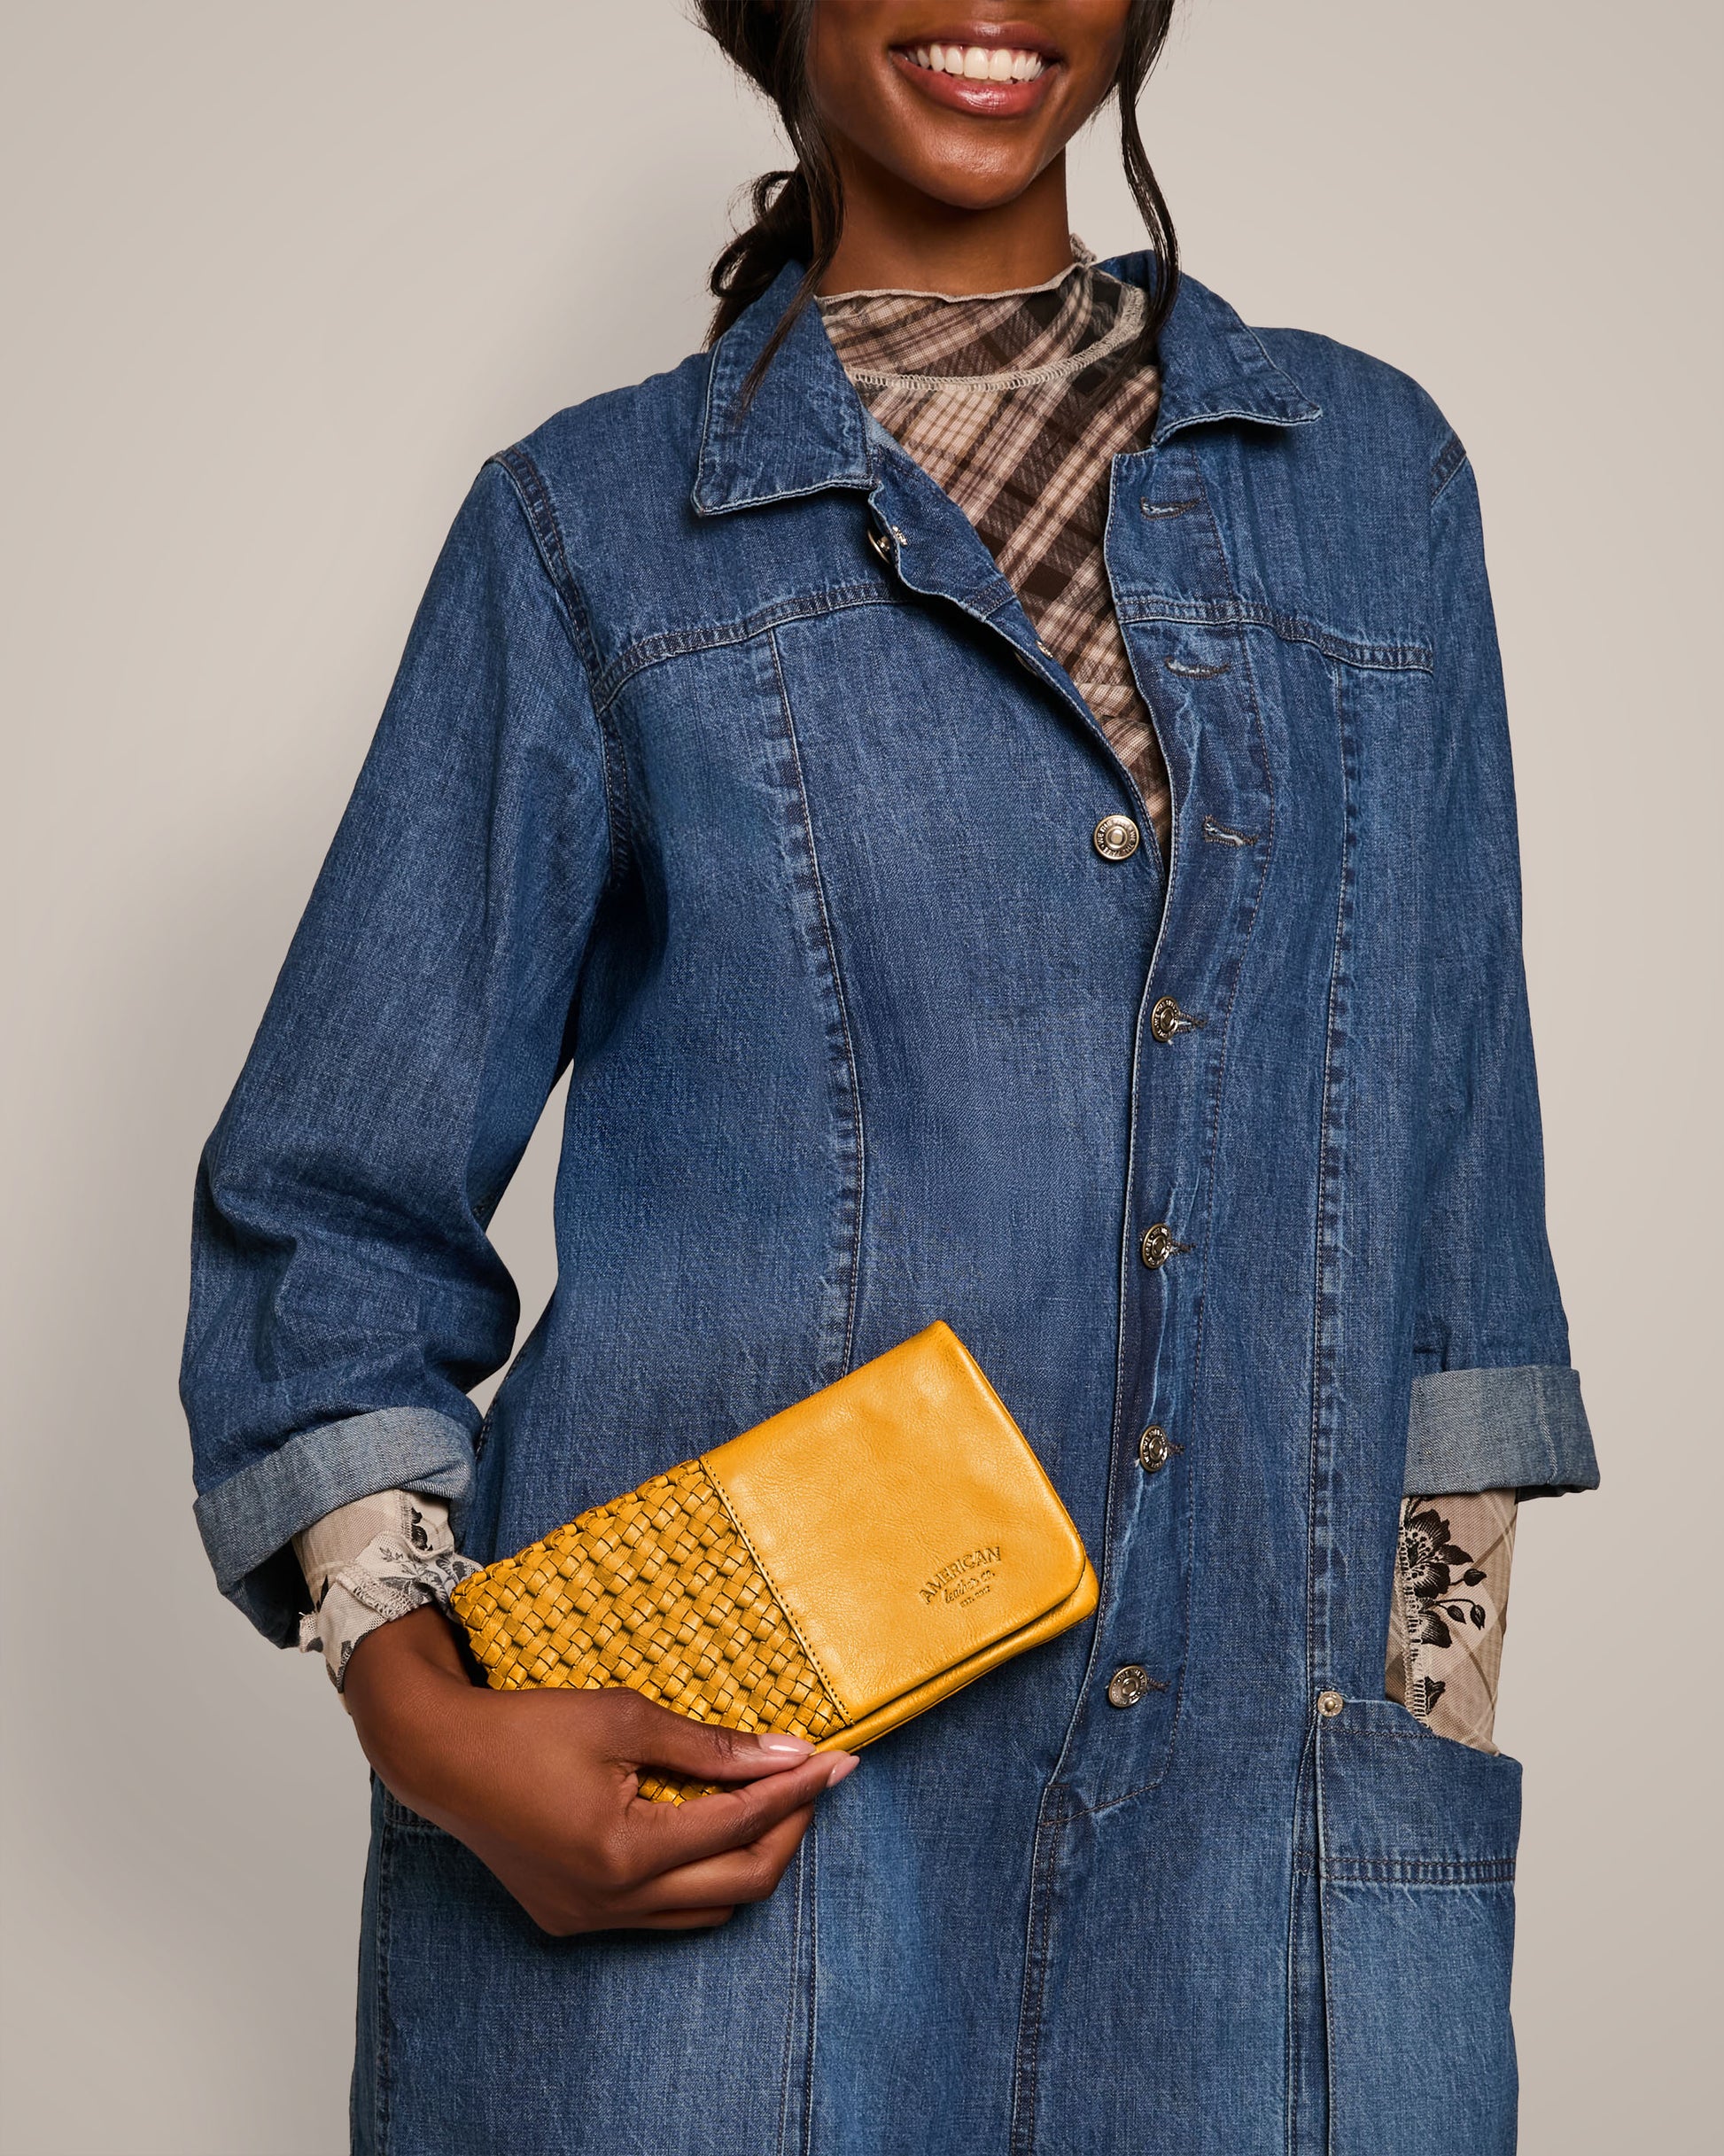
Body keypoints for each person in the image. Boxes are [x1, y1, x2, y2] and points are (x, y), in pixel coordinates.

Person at [181, 4, 1598, 2150]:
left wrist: (1397, 1783)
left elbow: (1454, 1250)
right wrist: (432, 1725)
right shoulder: (586, 537)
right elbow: (331, 1202)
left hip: (1252, 1913)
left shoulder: (1375, 493)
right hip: (725, 1895)